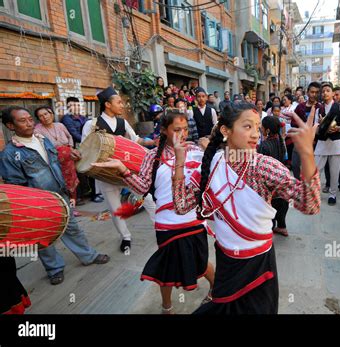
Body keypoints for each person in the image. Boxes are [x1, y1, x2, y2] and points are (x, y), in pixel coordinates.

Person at [172, 103, 321, 313]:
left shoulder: (264, 167)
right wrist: (179, 162)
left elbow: (310, 205)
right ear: (226, 131)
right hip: (226, 263)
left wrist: (307, 154)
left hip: (259, 267)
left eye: (257, 127)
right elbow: (181, 206)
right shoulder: (211, 165)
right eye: (247, 126)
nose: (255, 135)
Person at [91, 110, 215, 314]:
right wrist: (123, 169)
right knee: (165, 268)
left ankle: (214, 289)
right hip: (167, 224)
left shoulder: (196, 150)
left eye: (185, 129)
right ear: (164, 130)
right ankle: (167, 308)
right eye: (176, 129)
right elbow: (142, 188)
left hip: (194, 220)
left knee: (200, 263)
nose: (182, 134)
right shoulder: (152, 156)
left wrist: (210, 149)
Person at [0, 106, 110, 285]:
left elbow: (55, 162)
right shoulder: (10, 154)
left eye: (30, 119)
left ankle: (88, 256)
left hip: (59, 195)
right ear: (10, 126)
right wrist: (31, 207)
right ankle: (54, 269)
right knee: (45, 238)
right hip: (36, 204)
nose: (29, 123)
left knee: (73, 228)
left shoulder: (43, 140)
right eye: (22, 121)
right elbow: (16, 186)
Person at [81, 87, 156, 253]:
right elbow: (84, 149)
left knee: (147, 197)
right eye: (119, 102)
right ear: (107, 104)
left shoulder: (123, 122)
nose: (122, 105)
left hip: (126, 170)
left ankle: (161, 226)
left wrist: (154, 142)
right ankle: (125, 237)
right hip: (105, 175)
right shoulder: (91, 125)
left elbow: (136, 140)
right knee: (116, 209)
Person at [34, 106, 80, 216]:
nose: (44, 117)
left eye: (46, 114)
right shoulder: (37, 130)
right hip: (54, 161)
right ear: (39, 119)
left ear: (52, 114)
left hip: (69, 159)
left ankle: (72, 208)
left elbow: (69, 137)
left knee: (72, 182)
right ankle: (64, 209)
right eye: (41, 116)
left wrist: (71, 148)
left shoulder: (60, 125)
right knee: (61, 183)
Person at [314, 83, 340, 205]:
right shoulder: (319, 109)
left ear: (333, 93)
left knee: (335, 172)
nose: (325, 93)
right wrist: (320, 125)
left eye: (327, 90)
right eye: (323, 91)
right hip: (322, 142)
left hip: (336, 143)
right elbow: (315, 128)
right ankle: (315, 194)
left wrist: (338, 128)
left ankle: (332, 194)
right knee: (316, 171)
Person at [259, 116, 289, 237]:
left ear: (267, 130)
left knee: (269, 206)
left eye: (262, 126)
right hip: (280, 179)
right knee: (281, 203)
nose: (260, 128)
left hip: (269, 182)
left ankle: (269, 229)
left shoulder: (264, 146)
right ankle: (282, 227)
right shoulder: (279, 140)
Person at [294, 82, 322, 180]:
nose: (314, 94)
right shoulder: (300, 107)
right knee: (296, 165)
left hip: (314, 143)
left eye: (316, 92)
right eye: (312, 92)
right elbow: (294, 122)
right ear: (307, 92)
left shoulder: (320, 108)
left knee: (310, 167)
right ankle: (298, 185)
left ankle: (308, 187)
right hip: (300, 140)